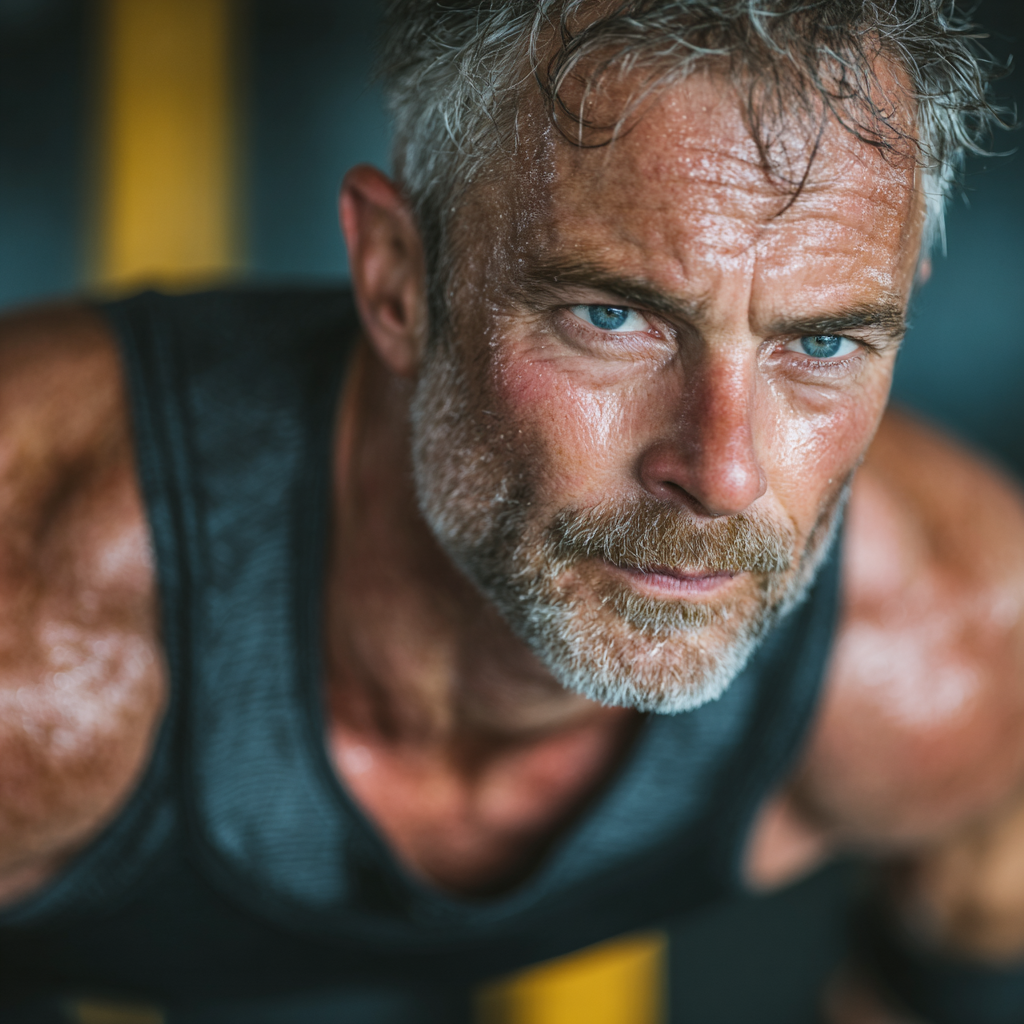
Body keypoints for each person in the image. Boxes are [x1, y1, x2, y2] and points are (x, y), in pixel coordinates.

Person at [0, 1, 1021, 1021]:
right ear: (398, 279)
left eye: (823, 344)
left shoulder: (944, 645)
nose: (721, 474)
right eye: (612, 317)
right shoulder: (40, 640)